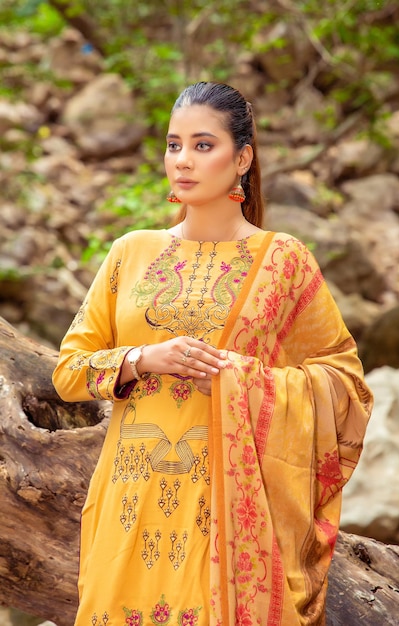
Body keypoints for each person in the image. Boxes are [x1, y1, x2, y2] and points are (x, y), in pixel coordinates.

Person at [52, 81, 373, 626]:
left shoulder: (284, 261)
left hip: (226, 505)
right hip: (131, 496)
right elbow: (68, 373)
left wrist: (238, 377)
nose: (183, 161)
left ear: (242, 157)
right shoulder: (130, 252)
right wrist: (141, 359)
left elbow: (345, 386)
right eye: (174, 145)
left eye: (203, 145)